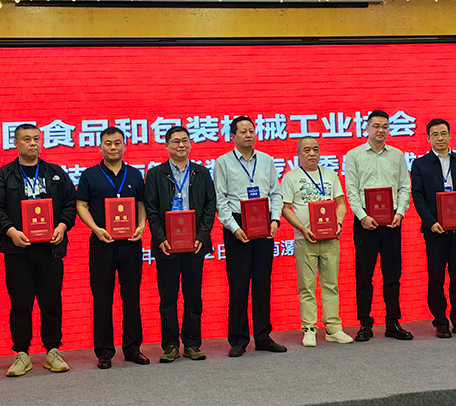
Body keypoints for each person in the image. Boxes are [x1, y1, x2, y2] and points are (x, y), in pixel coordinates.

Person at [0, 124, 77, 377]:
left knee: (51, 301)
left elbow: (70, 204)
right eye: (26, 139)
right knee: (20, 303)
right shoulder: (4, 175)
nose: (33, 143)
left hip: (50, 250)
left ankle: (53, 351)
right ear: (16, 143)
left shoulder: (55, 173)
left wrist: (62, 226)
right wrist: (10, 231)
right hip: (18, 251)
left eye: (36, 139)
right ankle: (22, 353)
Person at [76, 126, 149, 369]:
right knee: (102, 298)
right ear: (101, 147)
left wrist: (141, 226)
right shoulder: (90, 175)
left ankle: (132, 348)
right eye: (108, 143)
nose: (113, 147)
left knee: (131, 296)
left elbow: (141, 204)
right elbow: (81, 205)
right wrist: (96, 229)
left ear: (124, 145)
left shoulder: (135, 174)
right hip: (102, 244)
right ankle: (104, 352)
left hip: (131, 244)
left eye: (117, 143)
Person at [215, 116, 287, 357]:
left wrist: (275, 220)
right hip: (237, 225)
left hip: (264, 224)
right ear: (232, 136)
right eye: (243, 131)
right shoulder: (223, 162)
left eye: (251, 131)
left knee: (262, 283)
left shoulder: (266, 160)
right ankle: (238, 339)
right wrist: (234, 227)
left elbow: (275, 193)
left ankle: (263, 336)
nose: (248, 135)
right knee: (238, 284)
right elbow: (221, 199)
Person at [144, 126, 217, 363]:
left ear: (190, 144)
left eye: (185, 140)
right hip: (167, 246)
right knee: (168, 298)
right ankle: (171, 345)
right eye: (175, 141)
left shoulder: (201, 172)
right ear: (166, 146)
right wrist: (160, 239)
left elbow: (210, 205)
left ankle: (192, 344)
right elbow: (151, 209)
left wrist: (202, 236)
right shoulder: (155, 174)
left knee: (193, 295)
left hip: (195, 245)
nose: (181, 145)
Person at [345, 110, 413, 342]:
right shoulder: (354, 155)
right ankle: (365, 324)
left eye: (385, 126)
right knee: (364, 276)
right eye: (376, 126)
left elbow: (404, 186)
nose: (381, 130)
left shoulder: (397, 155)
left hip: (392, 223)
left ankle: (393, 322)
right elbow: (351, 189)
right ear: (367, 128)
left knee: (392, 276)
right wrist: (362, 216)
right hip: (365, 224)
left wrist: (400, 212)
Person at [281, 137, 353, 347]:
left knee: (331, 284)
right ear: (298, 154)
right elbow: (285, 208)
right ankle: (309, 328)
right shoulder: (290, 177)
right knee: (307, 286)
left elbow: (341, 204)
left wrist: (338, 223)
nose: (312, 154)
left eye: (315, 149)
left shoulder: (330, 175)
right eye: (306, 150)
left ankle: (333, 328)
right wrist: (302, 228)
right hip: (305, 239)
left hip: (330, 239)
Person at [411, 119, 456, 339]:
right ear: (428, 138)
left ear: (450, 135)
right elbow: (418, 196)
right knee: (436, 276)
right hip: (435, 230)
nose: (440, 138)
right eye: (435, 134)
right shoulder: (420, 164)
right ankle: (440, 321)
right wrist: (431, 222)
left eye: (443, 133)